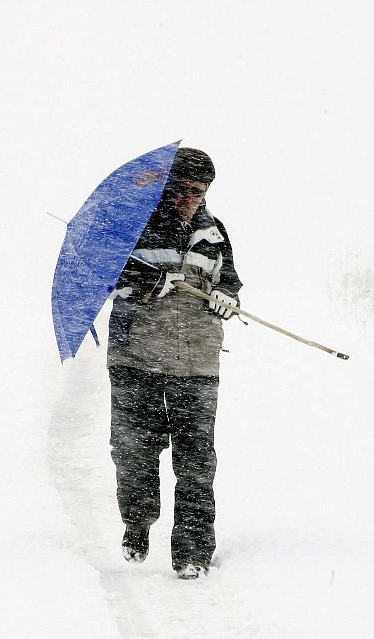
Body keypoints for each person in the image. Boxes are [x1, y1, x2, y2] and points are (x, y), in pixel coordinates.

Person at [106, 147, 242, 580]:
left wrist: (227, 298)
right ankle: (137, 522)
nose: (189, 197)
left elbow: (230, 280)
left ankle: (192, 553)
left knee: (198, 460)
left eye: (198, 191)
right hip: (136, 358)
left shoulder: (214, 232)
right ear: (166, 186)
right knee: (135, 452)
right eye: (181, 188)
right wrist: (149, 283)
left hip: (197, 361)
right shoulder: (135, 226)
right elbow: (108, 277)